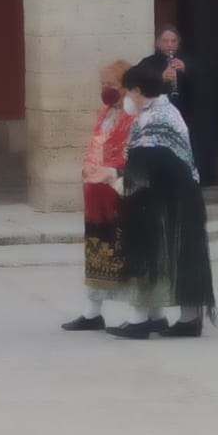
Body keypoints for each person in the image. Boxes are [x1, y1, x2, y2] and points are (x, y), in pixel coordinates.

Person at [108, 63, 218, 339]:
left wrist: (113, 178)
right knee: (183, 253)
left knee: (148, 255)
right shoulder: (166, 110)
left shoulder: (155, 120)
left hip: (161, 198)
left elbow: (142, 172)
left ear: (136, 90)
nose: (125, 98)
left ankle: (140, 321)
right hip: (181, 193)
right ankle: (189, 319)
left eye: (127, 92)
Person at [64, 60, 135, 332]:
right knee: (97, 250)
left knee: (124, 251)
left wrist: (111, 173)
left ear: (126, 87)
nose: (105, 89)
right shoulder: (105, 111)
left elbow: (129, 152)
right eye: (103, 84)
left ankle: (141, 313)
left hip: (118, 188)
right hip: (96, 190)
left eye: (111, 85)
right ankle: (92, 312)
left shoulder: (133, 116)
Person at [136, 27, 218, 190]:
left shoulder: (186, 61)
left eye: (173, 41)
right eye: (165, 41)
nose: (170, 45)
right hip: (158, 118)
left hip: (186, 115)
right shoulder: (148, 63)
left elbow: (205, 85)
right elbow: (137, 83)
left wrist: (187, 70)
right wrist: (160, 78)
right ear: (157, 43)